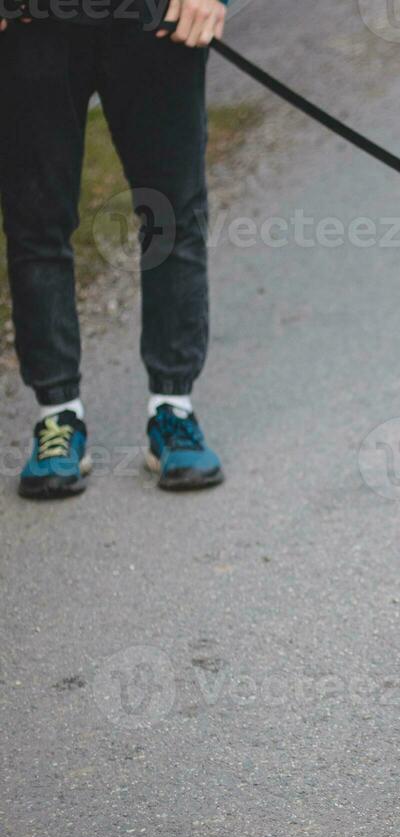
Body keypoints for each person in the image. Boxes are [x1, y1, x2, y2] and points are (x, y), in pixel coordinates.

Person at [1, 0, 229, 498]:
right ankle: (57, 418)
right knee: (34, 219)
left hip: (157, 19)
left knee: (171, 216)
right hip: (32, 22)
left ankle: (173, 410)